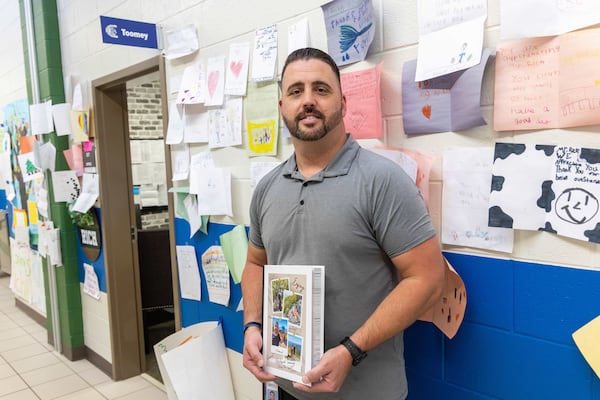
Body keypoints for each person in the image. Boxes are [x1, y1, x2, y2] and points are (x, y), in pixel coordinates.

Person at [241, 47, 446, 400]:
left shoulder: (382, 181)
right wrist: (252, 325)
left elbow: (427, 279)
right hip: (288, 387)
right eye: (295, 91)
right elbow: (256, 263)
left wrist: (351, 350)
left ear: (343, 103)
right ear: (281, 108)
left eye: (321, 89)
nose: (308, 100)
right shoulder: (267, 188)